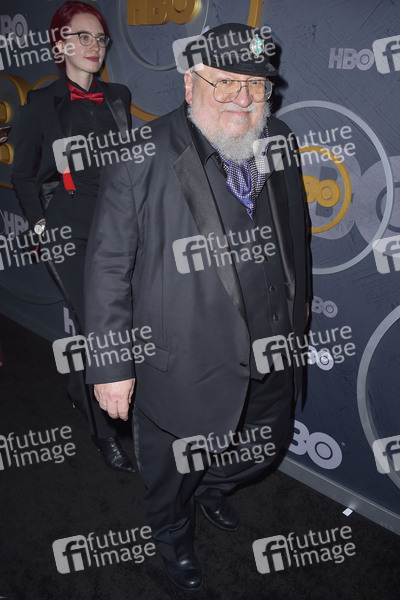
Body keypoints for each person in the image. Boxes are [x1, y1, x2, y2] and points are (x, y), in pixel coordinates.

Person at [84, 23, 312, 590]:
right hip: (184, 361)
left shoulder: (279, 137)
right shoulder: (141, 152)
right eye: (226, 82)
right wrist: (111, 365)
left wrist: (298, 311)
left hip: (273, 348)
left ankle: (213, 486)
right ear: (190, 85)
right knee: (172, 476)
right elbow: (108, 263)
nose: (243, 97)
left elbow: (295, 233)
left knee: (263, 447)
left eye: (256, 85)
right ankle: (172, 534)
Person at [11, 1, 135, 473]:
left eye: (100, 38)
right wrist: (42, 227)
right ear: (59, 45)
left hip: (116, 226)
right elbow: (22, 175)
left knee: (112, 323)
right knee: (98, 328)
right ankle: (104, 434)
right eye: (82, 36)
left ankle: (76, 387)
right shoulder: (40, 104)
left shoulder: (118, 96)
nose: (94, 45)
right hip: (67, 230)